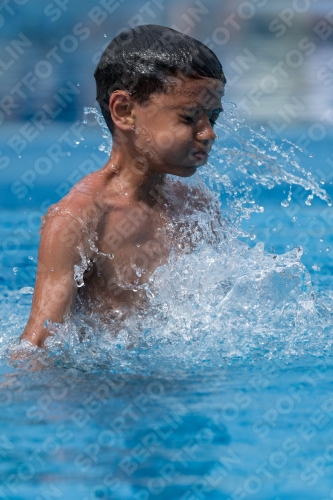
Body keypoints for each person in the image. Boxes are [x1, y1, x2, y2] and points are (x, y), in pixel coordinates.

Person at [20, 24, 226, 347]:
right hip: (98, 389)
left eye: (212, 118)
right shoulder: (79, 218)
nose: (208, 133)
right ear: (125, 111)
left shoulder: (197, 207)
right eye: (189, 118)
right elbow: (39, 345)